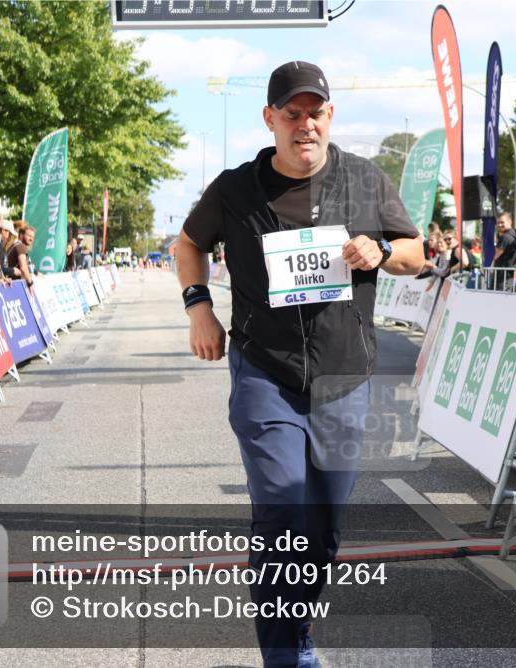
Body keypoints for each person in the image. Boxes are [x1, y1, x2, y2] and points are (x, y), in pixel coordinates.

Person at [175, 60, 424, 668]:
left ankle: (299, 629)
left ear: (330, 117)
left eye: (316, 112)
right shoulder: (235, 188)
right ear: (271, 120)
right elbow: (189, 243)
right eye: (292, 114)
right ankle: (285, 656)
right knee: (284, 512)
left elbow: (416, 253)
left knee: (323, 532)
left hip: (343, 377)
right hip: (266, 370)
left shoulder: (365, 181)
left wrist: (383, 249)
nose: (305, 124)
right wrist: (198, 307)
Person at [5, 220, 36, 287]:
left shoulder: (16, 245)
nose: (31, 239)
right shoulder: (20, 246)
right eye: (29, 236)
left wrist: (36, 273)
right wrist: (30, 283)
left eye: (33, 237)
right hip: (12, 285)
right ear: (21, 235)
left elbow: (28, 267)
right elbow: (23, 268)